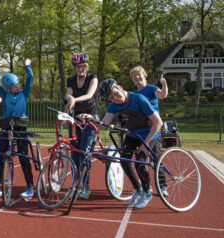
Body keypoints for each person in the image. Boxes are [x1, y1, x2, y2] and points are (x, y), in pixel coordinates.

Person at [78, 79, 163, 209]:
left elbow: (158, 123)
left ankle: (147, 192)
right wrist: (90, 119)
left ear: (120, 87)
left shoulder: (139, 99)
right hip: (133, 134)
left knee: (140, 161)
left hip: (150, 133)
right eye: (111, 97)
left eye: (115, 93)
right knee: (124, 161)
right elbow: (103, 125)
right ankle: (138, 190)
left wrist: (145, 144)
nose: (115, 98)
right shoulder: (113, 105)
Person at [0, 58, 34, 201]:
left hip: (20, 127)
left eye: (18, 84)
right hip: (7, 127)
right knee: (2, 156)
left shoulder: (24, 93)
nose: (18, 86)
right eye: (15, 85)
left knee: (23, 156)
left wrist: (27, 66)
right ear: (10, 88)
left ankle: (30, 187)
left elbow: (31, 77)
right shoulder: (5, 94)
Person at [64, 53, 99, 199]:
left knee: (85, 152)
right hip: (75, 118)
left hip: (90, 117)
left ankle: (85, 185)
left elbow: (90, 95)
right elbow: (68, 94)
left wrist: (73, 100)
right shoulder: (71, 80)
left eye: (83, 66)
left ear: (87, 66)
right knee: (74, 153)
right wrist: (69, 99)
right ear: (74, 67)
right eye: (78, 66)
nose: (80, 69)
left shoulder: (93, 78)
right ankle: (74, 183)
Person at [130, 65, 169, 196]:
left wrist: (164, 84)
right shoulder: (134, 94)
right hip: (140, 128)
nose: (136, 78)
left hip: (153, 127)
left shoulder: (152, 89)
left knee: (156, 158)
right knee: (140, 159)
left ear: (144, 75)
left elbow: (162, 95)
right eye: (134, 76)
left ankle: (162, 185)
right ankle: (147, 186)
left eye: (138, 75)